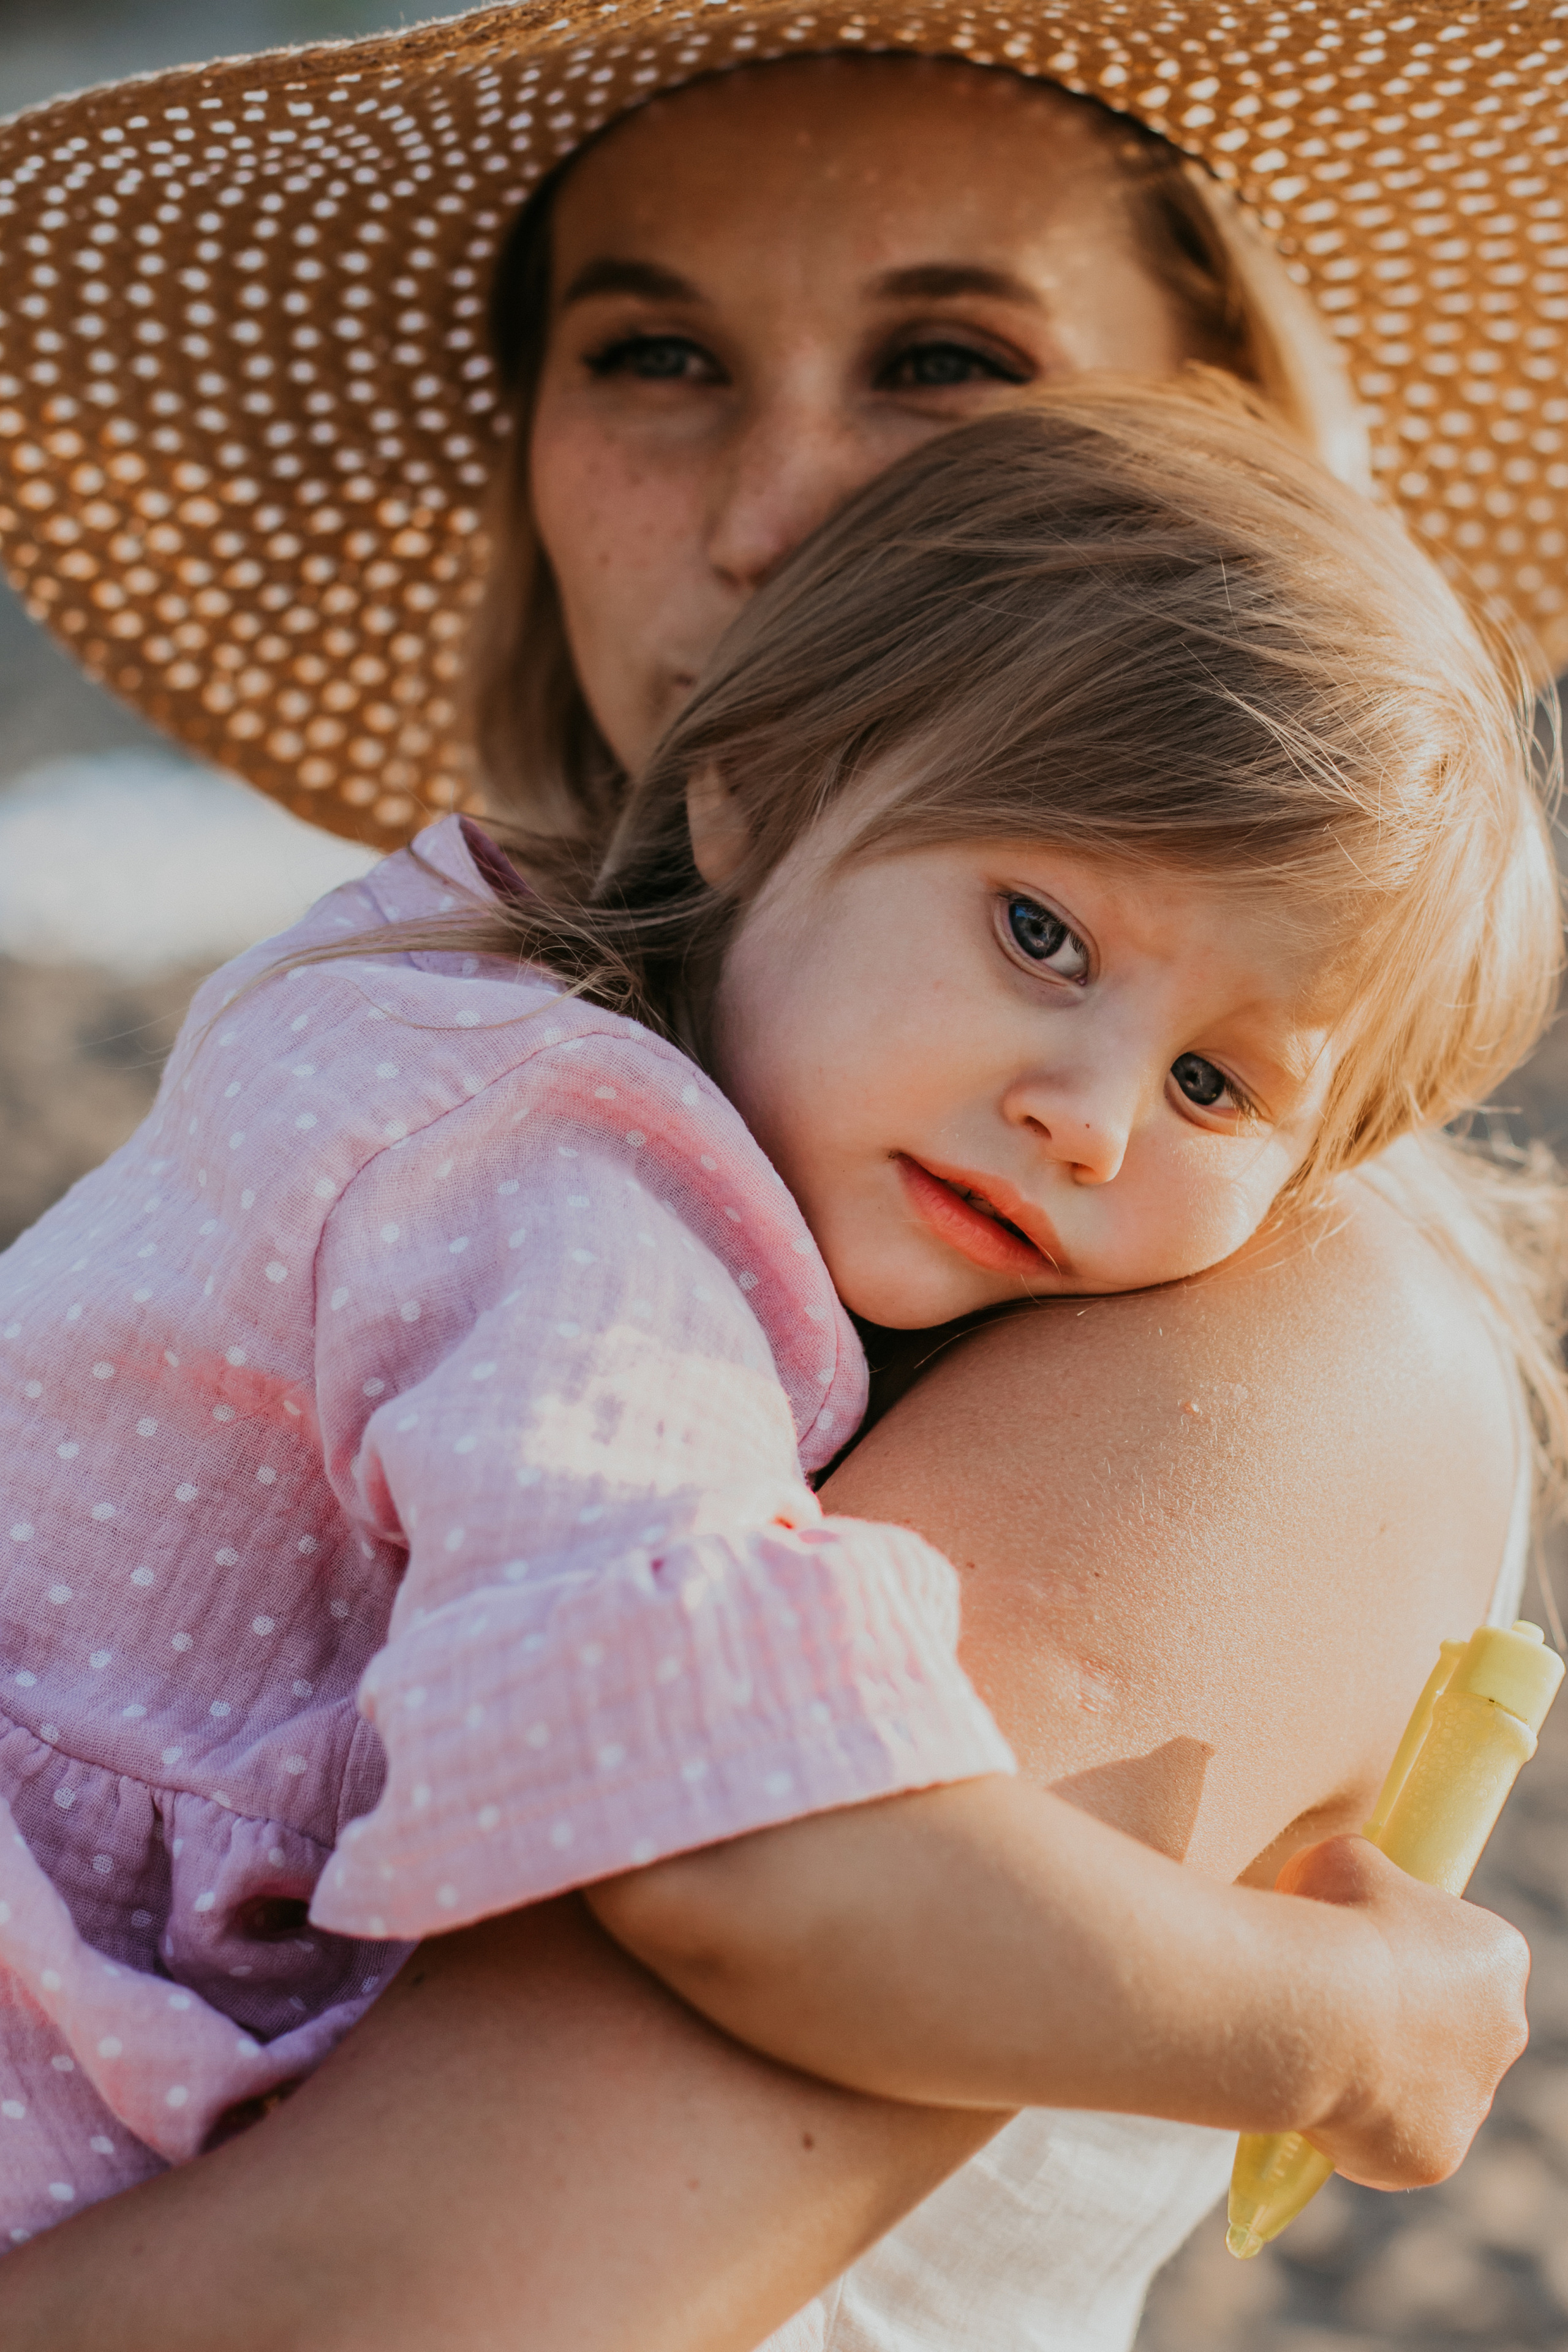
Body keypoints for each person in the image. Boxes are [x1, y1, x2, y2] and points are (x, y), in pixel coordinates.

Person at [0, 12, 1564, 2351]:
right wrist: (1330, 2023)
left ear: (1236, 447)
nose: (781, 514)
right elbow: (740, 1859)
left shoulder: (1282, 1346)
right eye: (656, 356)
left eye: (948, 361)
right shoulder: (545, 1139)